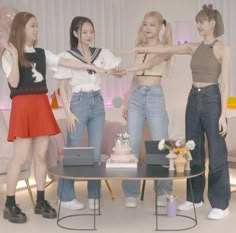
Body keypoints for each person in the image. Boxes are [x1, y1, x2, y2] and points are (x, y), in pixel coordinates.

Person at [124, 4, 231, 219]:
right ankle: (194, 197)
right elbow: (166, 49)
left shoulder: (223, 49)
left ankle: (220, 204)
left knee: (217, 152)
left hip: (212, 98)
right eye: (197, 22)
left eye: (202, 21)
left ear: (212, 23)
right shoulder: (193, 47)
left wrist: (223, 114)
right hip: (194, 97)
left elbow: (226, 83)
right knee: (194, 149)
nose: (199, 25)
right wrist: (141, 50)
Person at [0, 12, 106, 224]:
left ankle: (40, 200)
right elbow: (13, 83)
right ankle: (10, 204)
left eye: (37, 26)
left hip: (40, 105)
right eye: (33, 26)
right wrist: (12, 54)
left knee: (40, 156)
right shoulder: (9, 54)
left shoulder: (42, 53)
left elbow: (65, 61)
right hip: (23, 106)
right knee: (20, 158)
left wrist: (89, 65)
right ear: (21, 29)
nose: (37, 29)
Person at [53, 16, 121, 210]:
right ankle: (65, 197)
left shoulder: (102, 54)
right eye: (84, 32)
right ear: (75, 33)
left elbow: (115, 72)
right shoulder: (67, 56)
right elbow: (63, 88)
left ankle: (94, 195)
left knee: (95, 151)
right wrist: (68, 113)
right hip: (78, 102)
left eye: (91, 31)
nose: (89, 35)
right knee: (74, 150)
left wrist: (118, 72)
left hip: (97, 102)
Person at [113, 11, 173, 208]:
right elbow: (136, 75)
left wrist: (127, 69)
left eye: (152, 25)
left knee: (160, 145)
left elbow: (150, 64)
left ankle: (163, 191)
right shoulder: (139, 48)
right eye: (145, 24)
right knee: (131, 145)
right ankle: (131, 192)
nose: (147, 28)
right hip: (137, 95)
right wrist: (128, 98)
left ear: (159, 27)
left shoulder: (165, 48)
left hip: (155, 95)